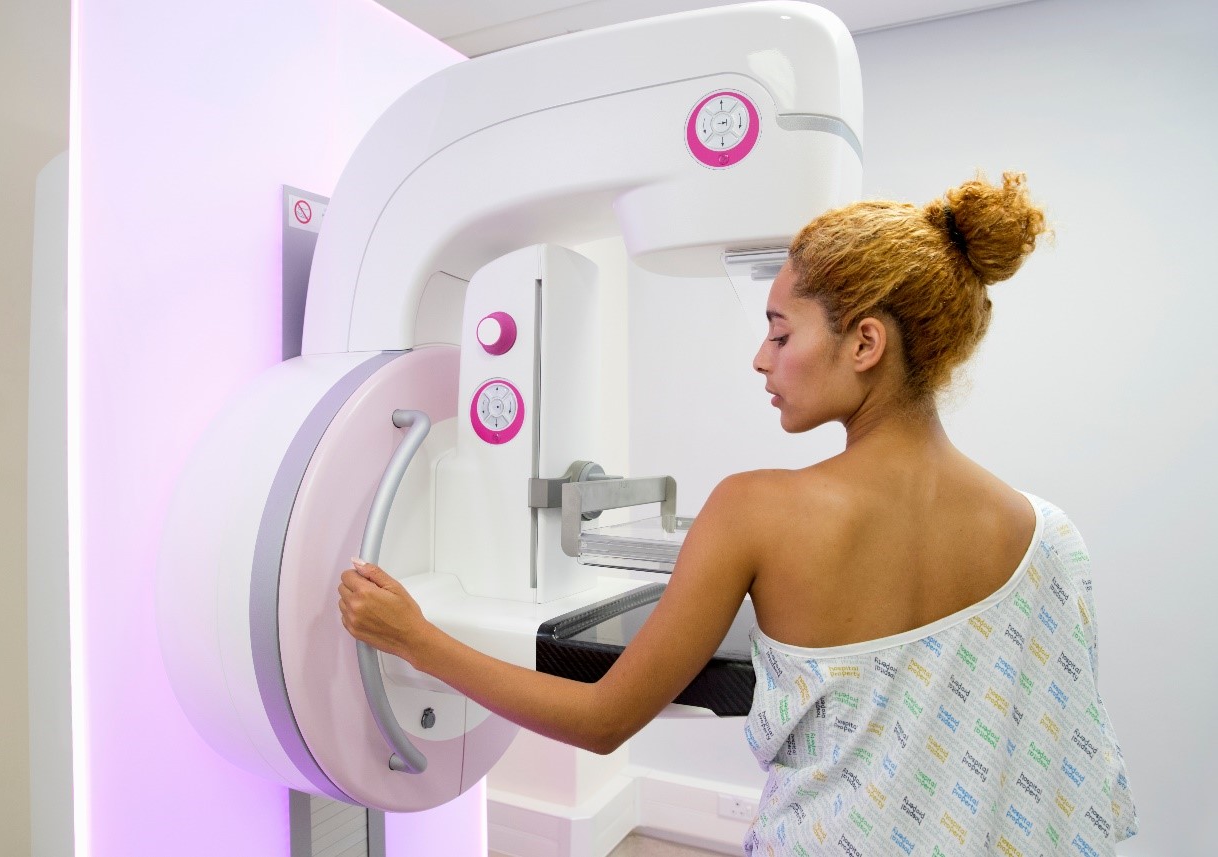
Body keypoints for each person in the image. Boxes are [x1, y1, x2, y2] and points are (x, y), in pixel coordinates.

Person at [339, 173, 1137, 855]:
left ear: (866, 343)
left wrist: (415, 638)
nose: (761, 358)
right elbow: (1062, 774)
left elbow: (603, 718)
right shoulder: (1051, 538)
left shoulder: (756, 509)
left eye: (780, 332)